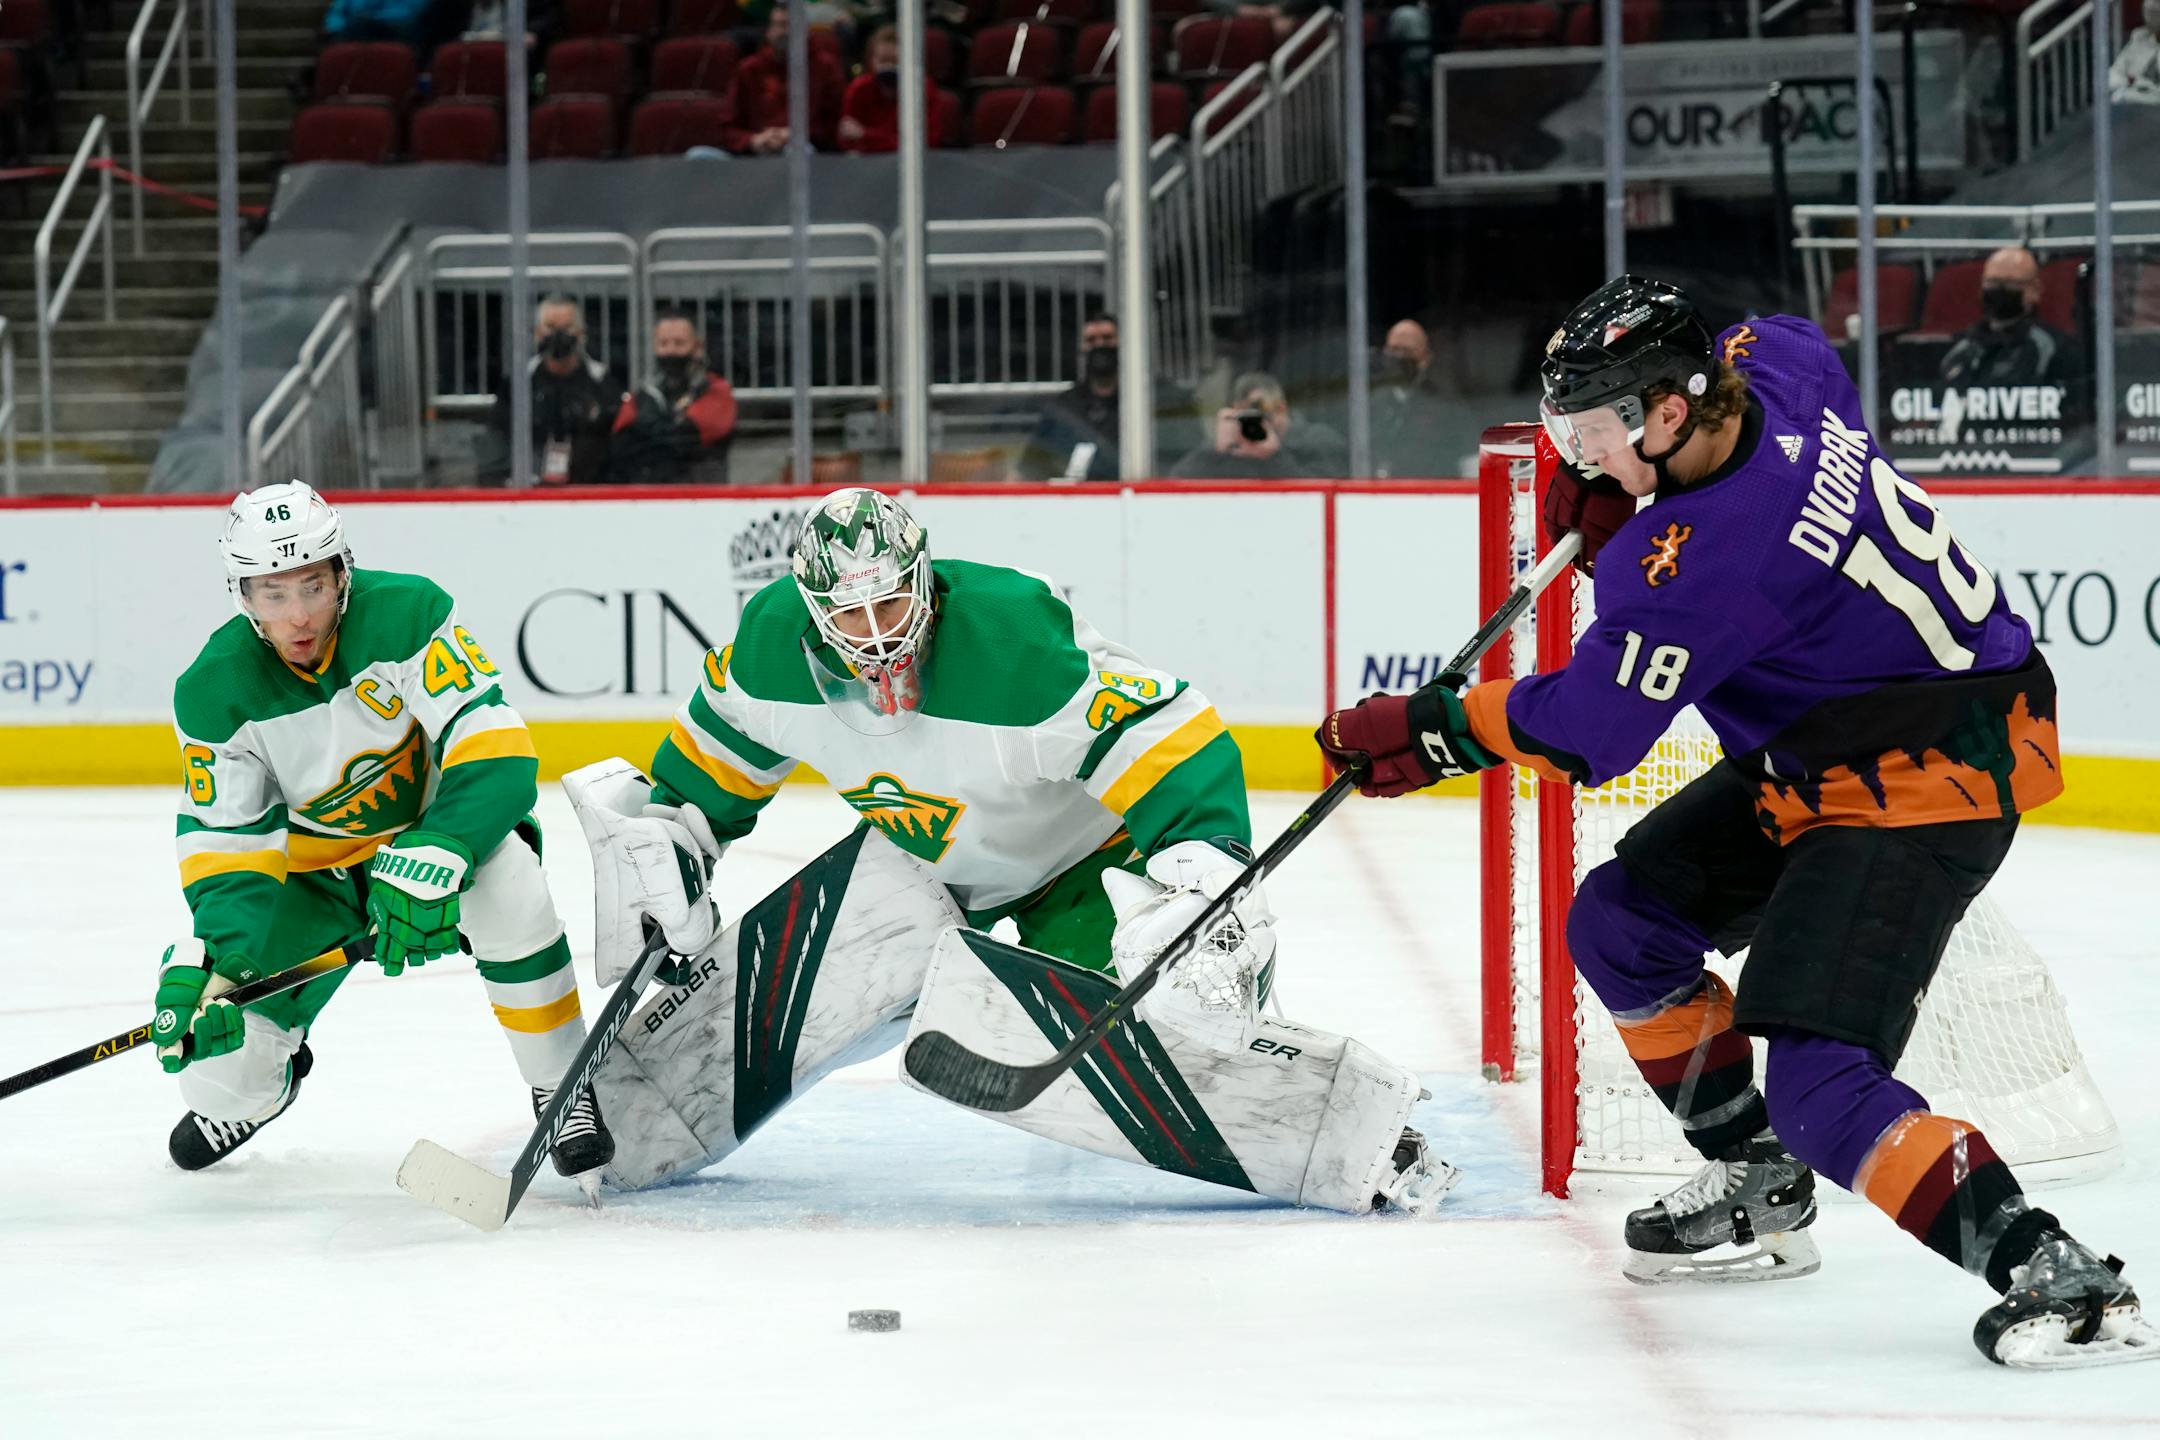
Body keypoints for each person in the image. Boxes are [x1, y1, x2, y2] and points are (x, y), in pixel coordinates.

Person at [1316, 276, 2154, 1368]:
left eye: (1596, 429)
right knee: (1622, 925)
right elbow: (1783, 345)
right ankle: (1759, 1183)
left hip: (1923, 775)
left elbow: (1592, 733)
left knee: (1822, 1084)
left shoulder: (1712, 559)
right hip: (1837, 738)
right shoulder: (1780, 367)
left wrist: (1437, 727)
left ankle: (2064, 1277)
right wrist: (1636, 497)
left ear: (1670, 413)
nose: (1575, 453)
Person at [571, 487, 1455, 1212]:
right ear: (809, 608)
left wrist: (1201, 858)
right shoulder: (769, 652)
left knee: (1161, 1041)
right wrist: (677, 838)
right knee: (744, 1011)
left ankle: (1364, 1137)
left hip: (1082, 873)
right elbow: (711, 760)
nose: (876, 633)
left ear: (923, 578)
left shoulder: (1014, 640)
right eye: (849, 611)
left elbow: (1168, 730)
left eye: (889, 601)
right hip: (919, 870)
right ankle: (608, 1124)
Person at [155, 481, 611, 1178]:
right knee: (217, 1073)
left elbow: (493, 747)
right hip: (312, 885)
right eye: (274, 595)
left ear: (342, 571)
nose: (299, 615)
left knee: (511, 884)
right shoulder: (214, 691)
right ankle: (260, 1091)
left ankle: (561, 1084)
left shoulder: (406, 612)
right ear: (243, 596)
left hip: (429, 836)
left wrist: (445, 843)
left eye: (312, 585)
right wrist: (223, 969)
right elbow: (228, 848)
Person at [1012, 313, 1196, 481]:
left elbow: (1190, 459)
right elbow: (1031, 467)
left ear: (1124, 344)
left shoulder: (1161, 398)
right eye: (1091, 340)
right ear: (1082, 348)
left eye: (1108, 339)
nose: (1100, 346)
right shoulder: (1064, 407)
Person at [486, 295, 622, 487]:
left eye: (566, 328)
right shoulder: (519, 384)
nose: (558, 335)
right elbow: (497, 440)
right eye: (550, 327)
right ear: (536, 333)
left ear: (582, 333)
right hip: (529, 491)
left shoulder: (602, 383)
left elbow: (619, 445)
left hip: (591, 493)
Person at [607, 309, 738, 485]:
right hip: (649, 497)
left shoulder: (716, 391)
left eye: (679, 343)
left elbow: (686, 438)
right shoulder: (642, 395)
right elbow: (621, 444)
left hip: (704, 498)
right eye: (664, 344)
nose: (671, 351)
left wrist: (650, 433)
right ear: (655, 347)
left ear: (698, 347)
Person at [1938, 246, 2078, 388]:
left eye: (2010, 283)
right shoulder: (1961, 347)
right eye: (1992, 282)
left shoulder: (2055, 349)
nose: (2000, 290)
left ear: (2034, 290)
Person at [1170, 371, 1347, 479]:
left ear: (1281, 407)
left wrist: (1275, 457)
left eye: (1262, 414)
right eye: (1246, 416)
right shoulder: (1233, 447)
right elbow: (1176, 485)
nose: (1256, 424)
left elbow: (1325, 498)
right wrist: (1212, 451)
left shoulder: (1317, 440)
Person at [730, 2, 846, 153]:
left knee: (795, 152)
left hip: (808, 152)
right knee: (699, 155)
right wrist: (752, 139)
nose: (782, 32)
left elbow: (836, 122)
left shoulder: (826, 68)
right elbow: (728, 125)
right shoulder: (748, 69)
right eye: (776, 25)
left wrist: (798, 135)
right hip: (755, 151)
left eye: (788, 25)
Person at [837, 24, 944, 152]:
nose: (888, 66)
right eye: (883, 60)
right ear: (871, 60)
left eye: (895, 61)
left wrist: (866, 135)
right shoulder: (859, 88)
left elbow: (925, 143)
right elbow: (847, 138)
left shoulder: (923, 90)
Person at [1369, 318, 1447, 479]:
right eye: (1393, 349)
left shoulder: (1446, 407)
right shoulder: (1369, 405)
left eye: (1407, 351)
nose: (1398, 357)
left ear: (1425, 358)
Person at [2109, 0, 2160, 104]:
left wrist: (2138, 83)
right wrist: (2126, 83)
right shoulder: (2139, 39)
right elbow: (2113, 75)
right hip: (2129, 103)